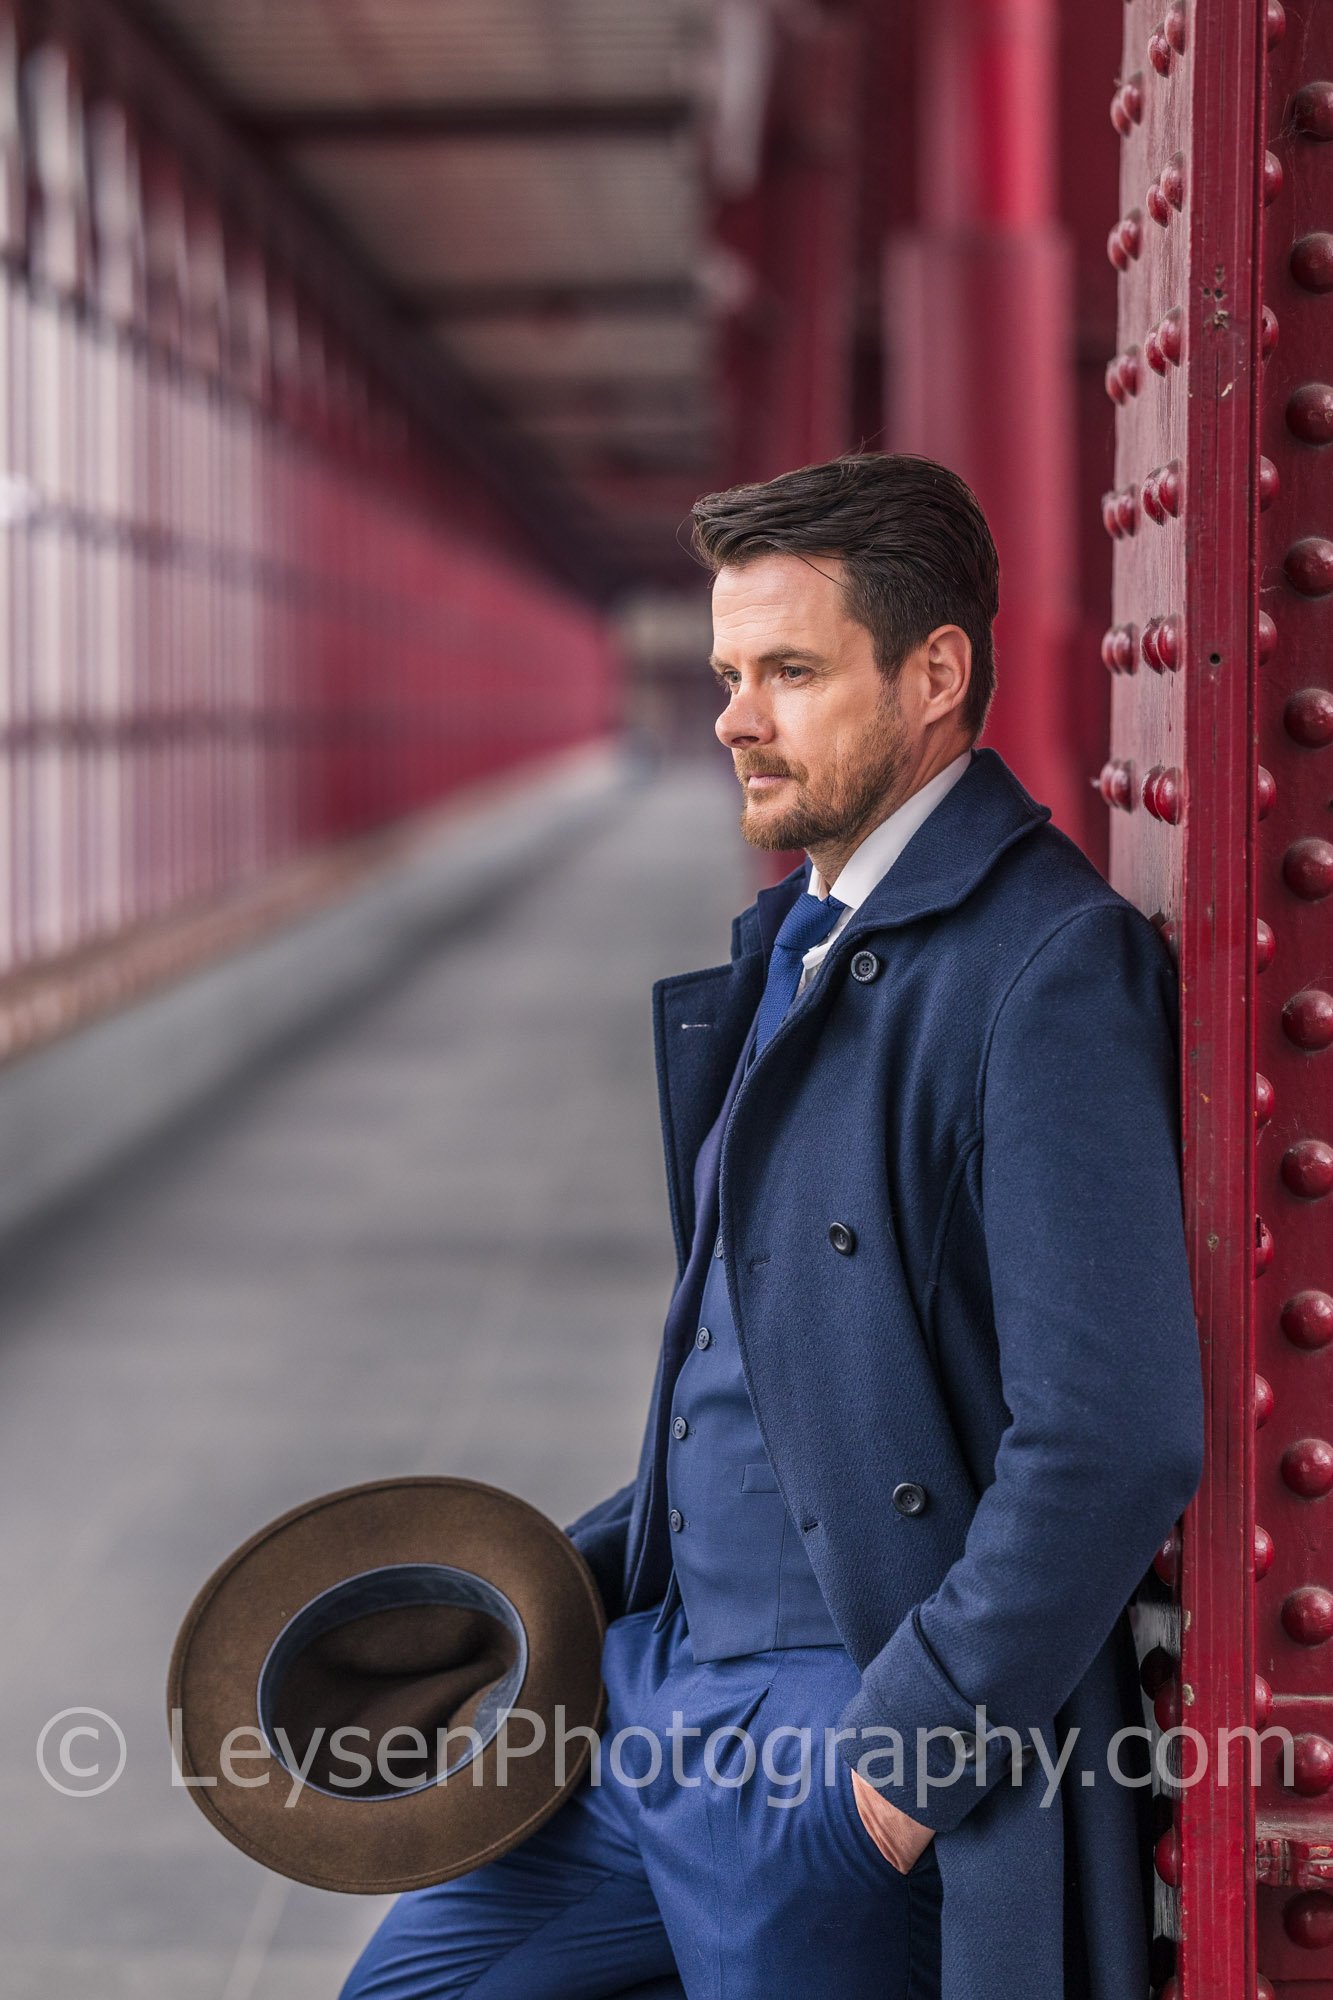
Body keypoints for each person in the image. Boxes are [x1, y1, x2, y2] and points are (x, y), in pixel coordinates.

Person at [340, 453, 1205, 2000]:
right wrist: (555, 1594)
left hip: (836, 1728)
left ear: (935, 673)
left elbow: (1115, 1429)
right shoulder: (805, 935)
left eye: (789, 672)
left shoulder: (1044, 970)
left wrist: (895, 1772)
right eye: (732, 672)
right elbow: (741, 1377)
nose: (734, 715)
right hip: (657, 1692)